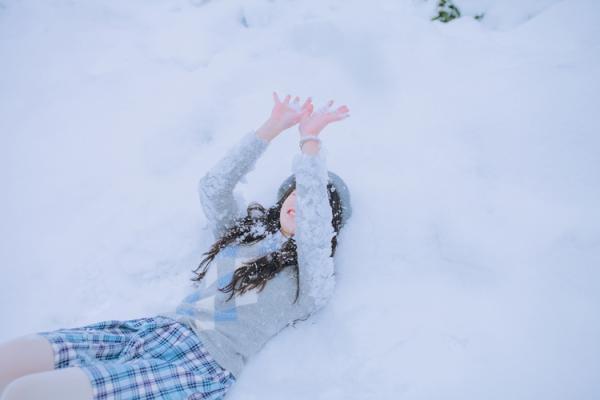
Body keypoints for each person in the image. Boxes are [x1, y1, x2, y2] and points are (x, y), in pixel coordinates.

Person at [0, 92, 352, 400]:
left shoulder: (309, 282)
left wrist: (310, 144)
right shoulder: (244, 234)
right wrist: (270, 128)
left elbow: (315, 235)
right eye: (295, 189)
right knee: (10, 362)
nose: (298, 197)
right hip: (155, 330)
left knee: (28, 394)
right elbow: (214, 187)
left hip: (199, 364)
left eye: (312, 198)